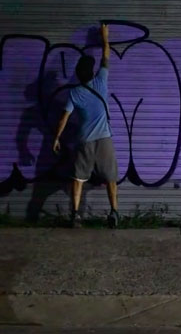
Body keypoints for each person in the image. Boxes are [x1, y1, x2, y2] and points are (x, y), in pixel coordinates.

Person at [53, 23, 120, 228]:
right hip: (104, 139)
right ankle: (114, 213)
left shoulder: (74, 93)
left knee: (78, 178)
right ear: (91, 73)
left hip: (85, 141)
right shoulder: (101, 81)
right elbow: (106, 56)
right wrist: (104, 37)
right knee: (111, 178)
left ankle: (75, 215)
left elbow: (64, 118)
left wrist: (56, 137)